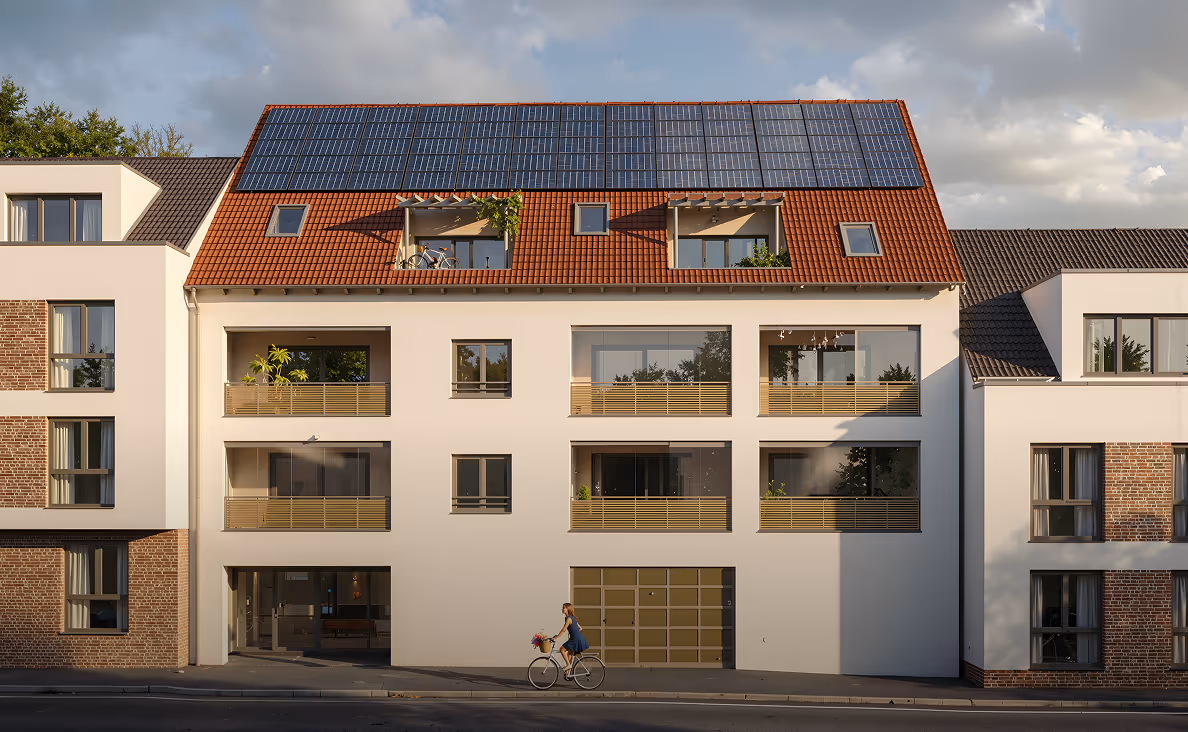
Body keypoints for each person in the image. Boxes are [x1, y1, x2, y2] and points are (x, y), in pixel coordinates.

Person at [552, 602, 588, 677]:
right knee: (569, 654)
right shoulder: (572, 617)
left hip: (575, 639)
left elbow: (563, 630)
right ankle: (569, 673)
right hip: (577, 638)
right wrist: (573, 632)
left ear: (568, 609)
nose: (562, 609)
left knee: (562, 649)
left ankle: (568, 665)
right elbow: (580, 628)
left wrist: (556, 637)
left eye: (563, 607)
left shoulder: (568, 618)